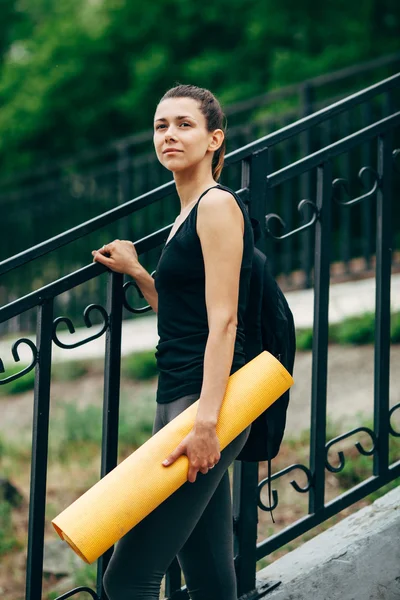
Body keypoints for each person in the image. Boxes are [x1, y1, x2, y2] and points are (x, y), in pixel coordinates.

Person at [91, 84, 255, 600]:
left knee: (128, 576)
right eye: (161, 126)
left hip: (205, 404)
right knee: (207, 574)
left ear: (214, 139)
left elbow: (224, 321)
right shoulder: (185, 214)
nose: (169, 135)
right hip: (179, 397)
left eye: (184, 125)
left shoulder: (216, 206)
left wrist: (208, 422)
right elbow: (186, 316)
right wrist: (141, 273)